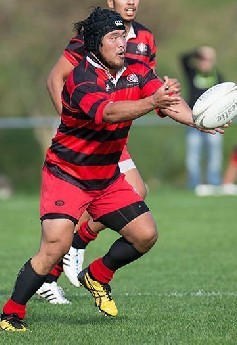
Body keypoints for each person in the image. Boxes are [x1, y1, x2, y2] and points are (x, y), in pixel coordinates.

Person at [0, 7, 223, 332]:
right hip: (67, 173)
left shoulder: (137, 69)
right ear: (95, 44)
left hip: (106, 176)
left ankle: (97, 275)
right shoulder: (81, 79)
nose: (123, 43)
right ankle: (11, 312)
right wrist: (153, 102)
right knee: (55, 246)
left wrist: (198, 121)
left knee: (145, 235)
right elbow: (109, 113)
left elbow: (167, 99)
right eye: (114, 37)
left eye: (124, 36)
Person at [41, 0, 158, 303]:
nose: (131, 1)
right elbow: (55, 78)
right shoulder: (90, 38)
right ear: (111, 2)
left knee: (136, 192)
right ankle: (54, 271)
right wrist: (73, 123)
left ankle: (77, 246)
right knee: (111, 198)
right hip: (91, 133)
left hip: (113, 134)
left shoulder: (145, 38)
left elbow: (145, 84)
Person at [180, 46, 224, 195]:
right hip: (193, 121)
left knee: (215, 153)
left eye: (208, 60)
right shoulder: (192, 73)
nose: (205, 62)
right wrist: (198, 52)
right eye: (202, 60)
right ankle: (194, 185)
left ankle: (214, 184)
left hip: (213, 122)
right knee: (193, 154)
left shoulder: (218, 75)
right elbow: (183, 58)